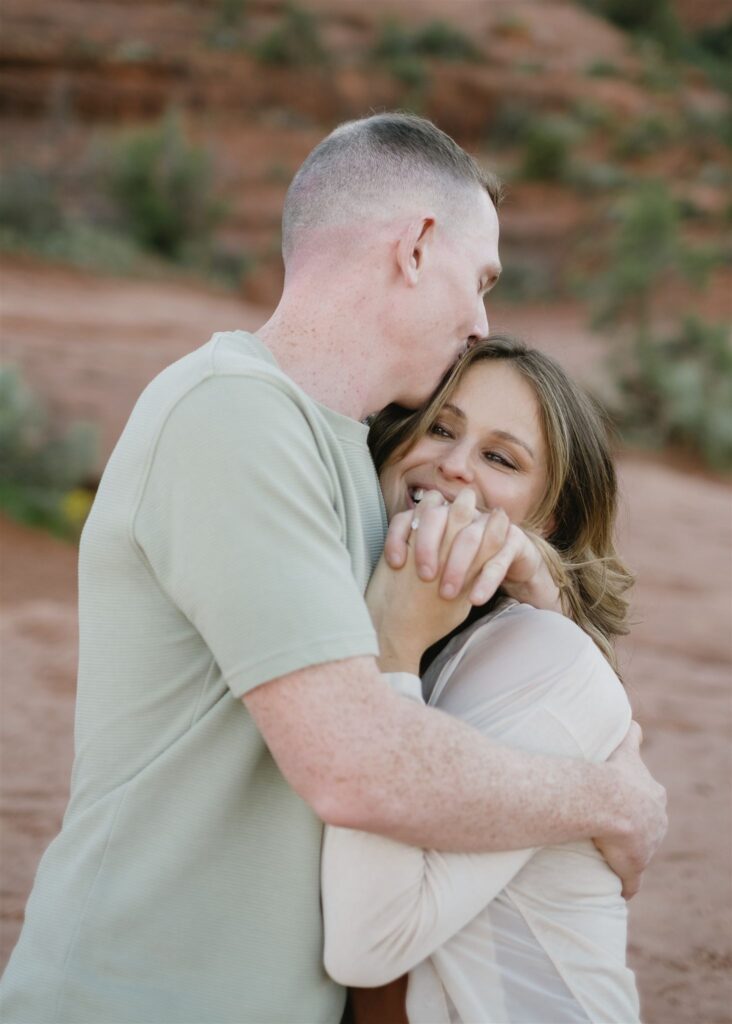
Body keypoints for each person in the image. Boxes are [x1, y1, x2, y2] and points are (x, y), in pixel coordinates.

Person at [0, 115, 665, 1024]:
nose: (480, 321)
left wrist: (539, 599)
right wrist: (610, 798)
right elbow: (358, 765)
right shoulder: (233, 416)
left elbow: (437, 694)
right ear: (418, 246)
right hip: (137, 997)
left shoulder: (353, 462)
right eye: (482, 281)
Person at [322, 337, 644, 1023]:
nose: (453, 466)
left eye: (500, 458)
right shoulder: (341, 610)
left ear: (546, 520)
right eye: (441, 427)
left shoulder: (542, 660)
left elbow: (369, 946)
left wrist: (393, 640)